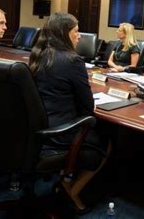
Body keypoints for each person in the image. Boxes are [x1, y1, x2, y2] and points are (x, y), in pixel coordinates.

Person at [28, 12, 109, 213]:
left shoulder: (40, 54)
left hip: (37, 128)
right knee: (106, 143)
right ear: (65, 34)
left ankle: (66, 177)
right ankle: (72, 189)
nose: (79, 35)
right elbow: (88, 107)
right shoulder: (72, 60)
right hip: (59, 133)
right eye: (76, 31)